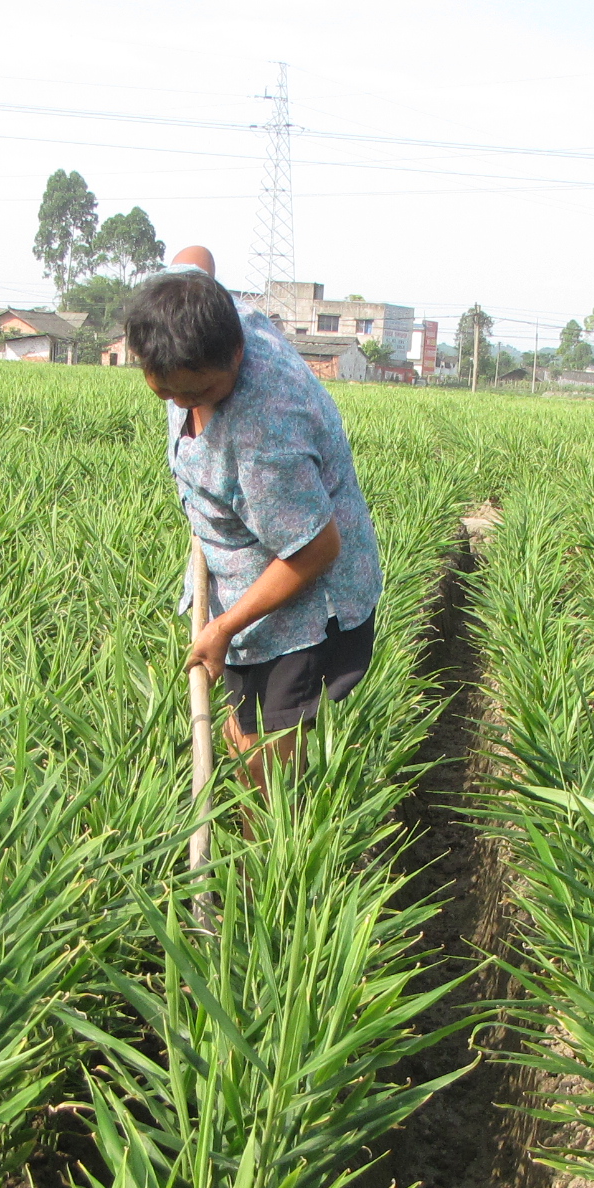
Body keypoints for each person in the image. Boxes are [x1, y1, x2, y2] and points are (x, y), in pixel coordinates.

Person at [125, 246, 383, 793]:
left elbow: (315, 551)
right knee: (245, 734)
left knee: (266, 768)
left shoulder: (265, 440)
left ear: (236, 355)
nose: (179, 402)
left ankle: (269, 863)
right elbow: (196, 257)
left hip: (304, 610)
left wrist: (221, 627)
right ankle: (251, 841)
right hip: (251, 574)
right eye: (164, 389)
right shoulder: (203, 311)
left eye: (196, 392)